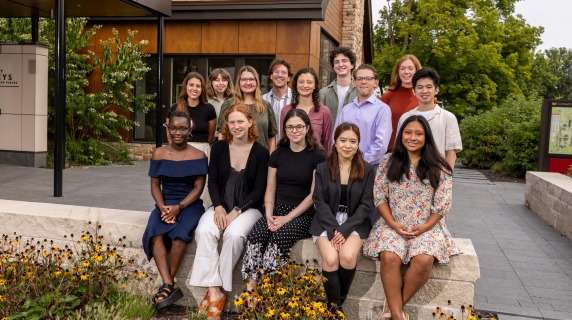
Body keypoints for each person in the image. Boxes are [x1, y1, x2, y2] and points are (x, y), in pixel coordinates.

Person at [362, 115, 461, 320]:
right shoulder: (388, 161)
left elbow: (442, 205)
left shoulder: (439, 166)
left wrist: (424, 227)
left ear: (426, 137)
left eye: (418, 133)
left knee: (424, 259)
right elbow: (379, 197)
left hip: (428, 226)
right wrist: (393, 224)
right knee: (389, 256)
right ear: (401, 136)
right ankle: (399, 316)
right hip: (393, 223)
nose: (412, 137)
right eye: (408, 132)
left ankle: (391, 309)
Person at [189, 104, 269, 319]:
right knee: (205, 231)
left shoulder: (261, 152)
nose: (236, 126)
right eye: (231, 122)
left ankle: (220, 287)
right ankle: (215, 291)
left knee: (234, 234)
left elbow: (259, 191)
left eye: (240, 121)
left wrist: (236, 212)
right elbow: (212, 182)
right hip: (221, 204)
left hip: (249, 208)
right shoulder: (219, 147)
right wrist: (218, 207)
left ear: (250, 122)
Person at [241, 108, 325, 293]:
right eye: (290, 127)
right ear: (284, 130)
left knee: (278, 238)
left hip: (302, 213)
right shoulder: (278, 154)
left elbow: (313, 196)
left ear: (307, 128)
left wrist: (287, 218)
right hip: (276, 209)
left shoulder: (317, 156)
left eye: (299, 126)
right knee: (255, 236)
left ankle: (268, 290)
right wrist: (269, 214)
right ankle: (250, 289)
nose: (294, 131)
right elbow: (270, 188)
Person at [142, 111, 208, 310]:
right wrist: (163, 207)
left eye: (182, 128)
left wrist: (178, 208)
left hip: (189, 205)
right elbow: (155, 185)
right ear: (168, 129)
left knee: (180, 236)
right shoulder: (159, 153)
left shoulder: (199, 155)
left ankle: (167, 286)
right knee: (155, 234)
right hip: (164, 203)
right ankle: (169, 284)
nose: (177, 132)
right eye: (173, 128)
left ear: (190, 130)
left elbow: (198, 189)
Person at [310, 122, 374, 315]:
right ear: (335, 143)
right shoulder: (322, 168)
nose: (347, 145)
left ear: (358, 145)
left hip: (355, 222)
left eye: (353, 141)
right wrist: (333, 229)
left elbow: (366, 204)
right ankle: (336, 310)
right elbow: (319, 201)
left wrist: (344, 229)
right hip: (326, 220)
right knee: (330, 259)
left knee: (347, 257)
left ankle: (335, 304)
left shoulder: (368, 169)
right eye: (343, 140)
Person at [397, 68, 462, 170]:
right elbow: (399, 149)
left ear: (436, 90)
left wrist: (446, 180)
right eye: (420, 87)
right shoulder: (405, 118)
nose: (424, 91)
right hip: (408, 176)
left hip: (436, 175)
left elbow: (451, 153)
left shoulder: (448, 118)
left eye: (429, 87)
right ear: (414, 91)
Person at [336, 64, 392, 166]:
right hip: (343, 165)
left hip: (369, 167)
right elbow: (336, 137)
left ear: (376, 82)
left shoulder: (383, 110)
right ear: (354, 83)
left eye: (368, 78)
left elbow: (381, 145)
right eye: (359, 78)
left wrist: (359, 162)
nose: (363, 82)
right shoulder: (346, 109)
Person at [217, 66, 278, 153]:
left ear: (256, 81)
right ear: (239, 82)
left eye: (251, 79)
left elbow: (271, 137)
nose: (248, 82)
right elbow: (222, 134)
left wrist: (271, 161)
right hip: (234, 158)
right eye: (244, 79)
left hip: (261, 160)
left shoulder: (266, 106)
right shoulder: (229, 104)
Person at [280, 67, 333, 155]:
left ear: (315, 85)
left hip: (317, 162)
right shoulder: (286, 110)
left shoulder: (324, 111)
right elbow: (283, 139)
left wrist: (325, 166)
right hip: (291, 160)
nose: (305, 85)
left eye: (309, 82)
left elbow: (327, 143)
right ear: (296, 84)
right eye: (301, 82)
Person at [381, 54, 422, 151]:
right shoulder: (387, 97)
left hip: (418, 151)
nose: (406, 72)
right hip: (391, 151)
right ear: (398, 72)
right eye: (402, 68)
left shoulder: (424, 97)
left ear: (417, 71)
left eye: (410, 68)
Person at [319, 46, 358, 126]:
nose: (340, 64)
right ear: (333, 67)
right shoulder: (323, 93)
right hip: (329, 138)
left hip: (352, 137)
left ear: (352, 65)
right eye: (336, 62)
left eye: (344, 61)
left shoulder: (359, 92)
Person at [262, 59, 293, 139]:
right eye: (276, 72)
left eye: (283, 72)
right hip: (268, 149)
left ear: (289, 78)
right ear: (271, 76)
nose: (279, 75)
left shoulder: (296, 99)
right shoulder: (262, 100)